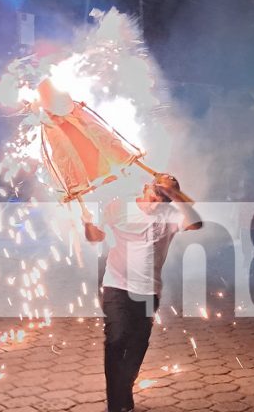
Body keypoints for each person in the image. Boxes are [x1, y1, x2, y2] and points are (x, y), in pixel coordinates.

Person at [83, 174, 202, 412]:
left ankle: (123, 389)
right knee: (116, 339)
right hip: (116, 284)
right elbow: (96, 238)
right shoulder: (120, 208)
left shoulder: (171, 214)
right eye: (154, 197)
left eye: (163, 199)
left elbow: (196, 223)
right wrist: (87, 223)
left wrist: (173, 195)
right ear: (146, 187)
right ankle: (116, 405)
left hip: (149, 291)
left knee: (138, 343)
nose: (156, 204)